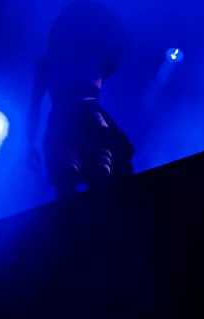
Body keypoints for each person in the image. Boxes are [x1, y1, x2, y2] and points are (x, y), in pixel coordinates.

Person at [26, 1, 133, 200]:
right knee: (81, 181)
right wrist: (29, 144)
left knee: (80, 182)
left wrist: (29, 144)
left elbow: (35, 105)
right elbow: (34, 105)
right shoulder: (94, 57)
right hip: (80, 122)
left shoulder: (91, 57)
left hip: (70, 123)